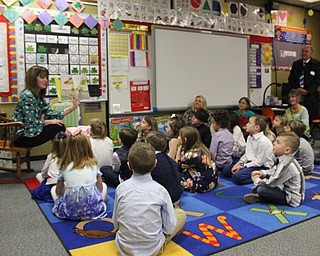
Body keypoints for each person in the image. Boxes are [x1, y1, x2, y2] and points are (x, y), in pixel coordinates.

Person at [112, 142, 186, 256]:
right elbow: (169, 228)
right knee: (180, 214)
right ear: (155, 163)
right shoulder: (160, 190)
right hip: (153, 249)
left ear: (129, 165)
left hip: (124, 247)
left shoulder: (121, 188)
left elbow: (115, 222)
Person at [12, 66, 79, 148]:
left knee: (58, 126)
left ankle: (61, 155)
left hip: (31, 132)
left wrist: (73, 107)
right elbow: (31, 123)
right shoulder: (27, 96)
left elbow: (52, 114)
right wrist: (50, 122)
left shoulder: (38, 97)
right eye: (42, 77)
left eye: (46, 78)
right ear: (33, 79)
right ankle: (62, 155)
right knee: (56, 127)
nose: (46, 80)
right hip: (22, 136)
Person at [51, 126, 107, 220]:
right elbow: (100, 188)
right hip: (93, 212)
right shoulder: (93, 164)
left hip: (70, 212)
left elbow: (58, 191)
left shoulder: (64, 166)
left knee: (53, 190)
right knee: (104, 187)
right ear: (88, 147)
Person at [244, 131, 305, 207]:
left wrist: (257, 180)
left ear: (287, 150)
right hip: (284, 188)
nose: (274, 143)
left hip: (292, 199)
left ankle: (261, 198)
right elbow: (275, 170)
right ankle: (263, 196)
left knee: (261, 189)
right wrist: (263, 173)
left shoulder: (287, 164)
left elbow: (271, 183)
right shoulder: (285, 159)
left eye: (278, 142)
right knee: (261, 187)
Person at [222, 115, 274, 185]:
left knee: (236, 177)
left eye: (249, 123)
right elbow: (247, 154)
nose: (246, 124)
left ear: (257, 127)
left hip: (261, 166)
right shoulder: (250, 137)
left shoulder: (263, 141)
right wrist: (239, 163)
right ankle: (245, 172)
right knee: (226, 171)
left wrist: (243, 166)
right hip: (249, 163)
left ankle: (261, 177)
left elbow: (259, 162)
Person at [176, 126, 218, 193]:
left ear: (185, 140)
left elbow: (178, 167)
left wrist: (178, 150)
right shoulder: (202, 148)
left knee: (175, 177)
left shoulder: (191, 155)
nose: (177, 138)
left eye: (179, 136)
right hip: (213, 180)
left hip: (203, 183)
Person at [145, 131, 183, 204]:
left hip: (164, 199)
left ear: (148, 145)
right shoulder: (169, 159)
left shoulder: (151, 160)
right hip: (177, 196)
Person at [31, 131, 67, 202]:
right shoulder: (71, 157)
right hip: (64, 186)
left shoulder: (51, 156)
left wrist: (45, 177)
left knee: (38, 175)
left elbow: (44, 171)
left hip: (51, 186)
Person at [288, 45, 320, 125]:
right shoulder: (296, 64)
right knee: (296, 116)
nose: (304, 53)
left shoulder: (316, 64)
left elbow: (318, 80)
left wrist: (308, 91)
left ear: (311, 53)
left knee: (308, 117)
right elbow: (291, 79)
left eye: (306, 51)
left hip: (310, 96)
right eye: (303, 51)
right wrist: (297, 90)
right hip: (297, 95)